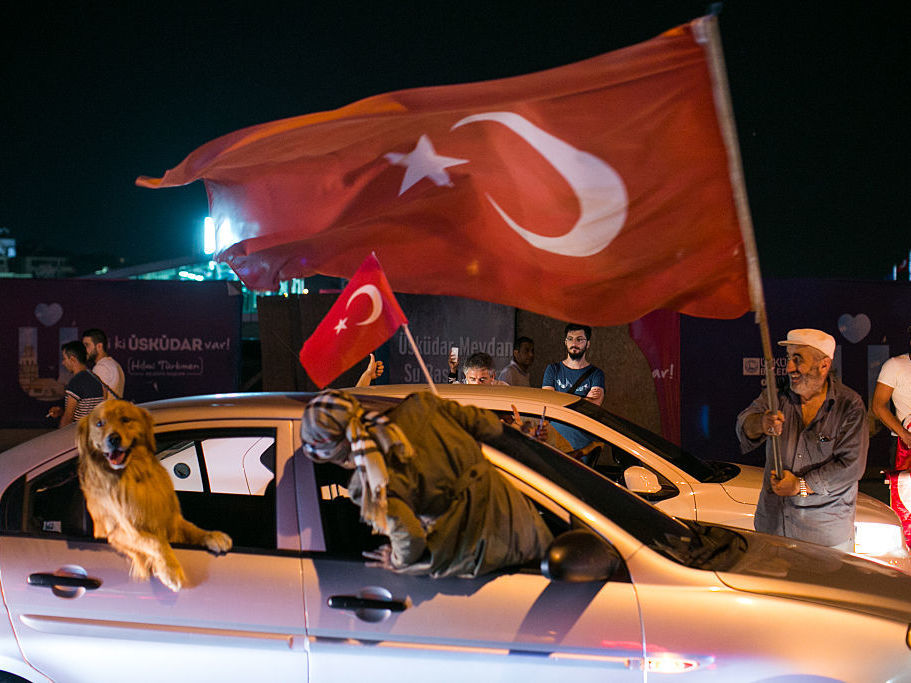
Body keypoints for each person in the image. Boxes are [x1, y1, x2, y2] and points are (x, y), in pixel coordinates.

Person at [299, 389, 553, 578]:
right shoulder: (422, 405)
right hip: (515, 517)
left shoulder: (369, 482)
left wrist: (396, 560)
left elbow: (409, 538)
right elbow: (487, 425)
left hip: (475, 552)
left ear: (336, 456)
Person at [736, 328, 868, 551]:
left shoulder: (849, 405)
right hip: (774, 528)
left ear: (824, 365)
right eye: (788, 359)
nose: (788, 368)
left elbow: (851, 467)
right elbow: (744, 424)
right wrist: (762, 423)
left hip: (823, 538)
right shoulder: (777, 393)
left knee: (822, 587)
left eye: (798, 360)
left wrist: (800, 485)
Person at [871, 327, 911, 544]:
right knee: (906, 505)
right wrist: (904, 434)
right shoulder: (896, 365)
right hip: (905, 446)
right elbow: (878, 406)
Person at [542, 324, 605, 406]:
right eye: (570, 339)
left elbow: (594, 405)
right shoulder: (553, 369)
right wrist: (584, 400)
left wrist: (560, 400)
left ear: (588, 344)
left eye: (579, 339)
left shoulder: (596, 373)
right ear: (565, 342)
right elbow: (548, 402)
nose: (574, 344)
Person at [47, 341, 106, 428]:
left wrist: (60, 438)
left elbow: (68, 417)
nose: (63, 363)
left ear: (72, 360)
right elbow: (86, 410)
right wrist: (61, 412)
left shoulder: (76, 382)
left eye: (64, 359)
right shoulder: (96, 378)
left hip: (79, 434)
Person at [82, 328, 125, 399]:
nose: (84, 350)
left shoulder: (101, 367)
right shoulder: (115, 364)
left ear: (99, 346)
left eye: (87, 345)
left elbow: (98, 401)